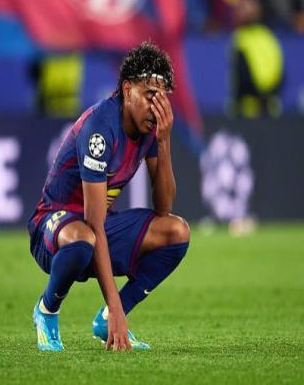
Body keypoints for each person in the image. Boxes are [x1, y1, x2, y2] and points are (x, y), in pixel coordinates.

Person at [27, 42, 190, 352]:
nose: (155, 107)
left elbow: (164, 206)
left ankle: (105, 321)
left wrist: (164, 141)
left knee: (176, 232)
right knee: (84, 237)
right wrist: (116, 306)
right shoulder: (100, 130)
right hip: (53, 228)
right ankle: (46, 310)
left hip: (96, 227)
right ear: (127, 90)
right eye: (149, 95)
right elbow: (93, 222)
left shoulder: (149, 129)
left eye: (161, 98)